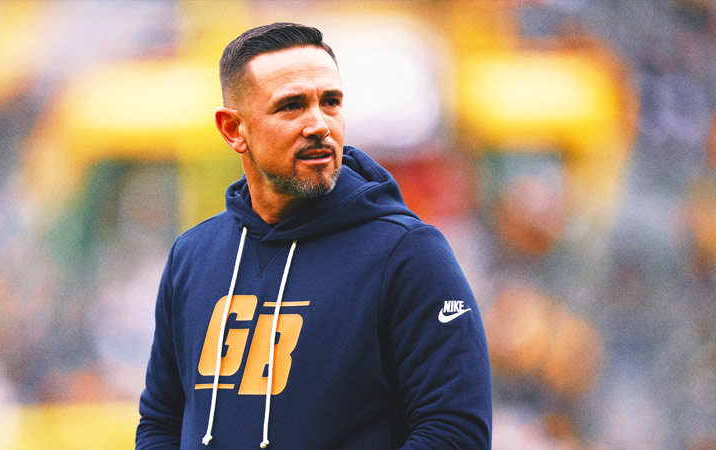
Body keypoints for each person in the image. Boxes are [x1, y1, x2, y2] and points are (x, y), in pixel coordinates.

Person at [136, 22, 492, 449]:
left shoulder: (408, 254)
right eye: (291, 106)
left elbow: (455, 434)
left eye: (331, 102)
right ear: (234, 129)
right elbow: (160, 421)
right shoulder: (193, 255)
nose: (319, 125)